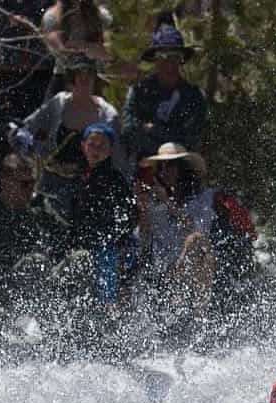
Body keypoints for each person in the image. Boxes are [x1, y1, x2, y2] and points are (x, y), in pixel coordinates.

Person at [16, 55, 124, 221]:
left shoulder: (108, 115)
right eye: (79, 72)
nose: (84, 77)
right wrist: (27, 145)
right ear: (71, 77)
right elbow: (28, 128)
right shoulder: (58, 103)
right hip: (51, 183)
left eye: (88, 72)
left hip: (90, 189)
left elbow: (118, 161)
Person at [136, 142, 216, 313]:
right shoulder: (153, 202)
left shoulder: (203, 198)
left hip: (194, 265)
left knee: (196, 241)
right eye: (162, 166)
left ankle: (199, 312)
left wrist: (169, 203)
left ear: (184, 169)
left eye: (171, 165)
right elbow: (143, 239)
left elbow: (198, 231)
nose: (165, 171)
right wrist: (142, 207)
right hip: (163, 265)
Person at [0, 153, 63, 284]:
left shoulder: (41, 213)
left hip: (45, 281)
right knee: (35, 263)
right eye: (24, 184)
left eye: (32, 183)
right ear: (5, 182)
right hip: (6, 286)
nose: (31, 189)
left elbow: (65, 241)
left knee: (81, 259)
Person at [67, 122, 137, 301]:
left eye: (102, 146)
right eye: (92, 145)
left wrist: (116, 238)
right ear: (84, 146)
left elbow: (130, 214)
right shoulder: (78, 176)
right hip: (85, 243)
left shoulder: (114, 178)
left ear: (110, 150)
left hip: (108, 246)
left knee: (106, 294)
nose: (96, 150)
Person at [120, 25, 207, 164]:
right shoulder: (138, 92)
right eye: (164, 57)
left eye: (175, 57)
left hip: (182, 168)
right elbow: (128, 132)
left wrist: (151, 129)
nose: (170, 64)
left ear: (182, 60)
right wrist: (170, 134)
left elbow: (191, 138)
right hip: (144, 167)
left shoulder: (194, 96)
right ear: (155, 60)